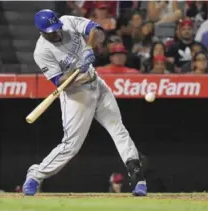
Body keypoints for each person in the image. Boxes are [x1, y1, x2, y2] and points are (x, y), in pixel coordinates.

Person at [23, 9, 147, 197]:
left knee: (118, 130)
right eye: (51, 31)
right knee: (71, 145)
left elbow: (97, 30)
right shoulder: (41, 52)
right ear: (41, 32)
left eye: (56, 29)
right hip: (76, 95)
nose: (56, 33)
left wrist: (89, 47)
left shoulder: (67, 22)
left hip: (97, 84)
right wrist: (80, 73)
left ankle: (139, 180)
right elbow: (60, 82)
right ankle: (36, 174)